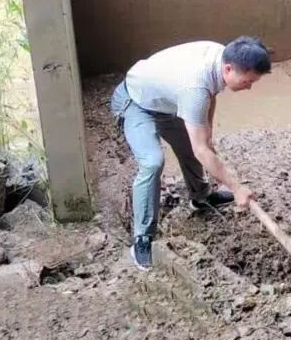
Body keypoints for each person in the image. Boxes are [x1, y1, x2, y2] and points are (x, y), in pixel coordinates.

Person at [110, 36, 272, 270]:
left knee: (195, 143)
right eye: (247, 81)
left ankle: (201, 197)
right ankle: (142, 238)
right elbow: (201, 146)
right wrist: (237, 188)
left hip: (167, 102)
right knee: (153, 162)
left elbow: (211, 94)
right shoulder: (194, 88)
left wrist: (208, 132)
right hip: (136, 103)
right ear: (228, 68)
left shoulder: (221, 54)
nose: (249, 87)